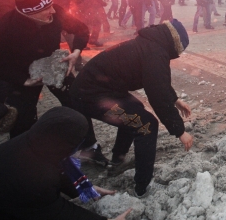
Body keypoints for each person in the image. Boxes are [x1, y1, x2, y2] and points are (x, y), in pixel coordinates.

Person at [0, 107, 131, 220]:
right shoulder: (32, 176)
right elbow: (57, 213)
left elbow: (60, 164)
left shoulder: (35, 141)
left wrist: (86, 188)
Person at [70, 20, 193, 198]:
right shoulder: (155, 53)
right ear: (174, 45)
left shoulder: (151, 44)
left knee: (135, 108)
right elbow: (158, 94)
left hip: (101, 89)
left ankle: (117, 159)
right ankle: (142, 186)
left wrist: (175, 100)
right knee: (146, 125)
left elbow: (158, 82)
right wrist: (180, 130)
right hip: (91, 95)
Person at [0, 0, 89, 138]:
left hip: (55, 65)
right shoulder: (5, 28)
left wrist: (76, 52)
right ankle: (25, 152)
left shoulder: (56, 11)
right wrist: (22, 80)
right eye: (46, 9)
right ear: (29, 13)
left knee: (77, 103)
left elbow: (81, 29)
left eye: (51, 5)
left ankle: (89, 146)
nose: (52, 11)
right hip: (24, 73)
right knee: (22, 118)